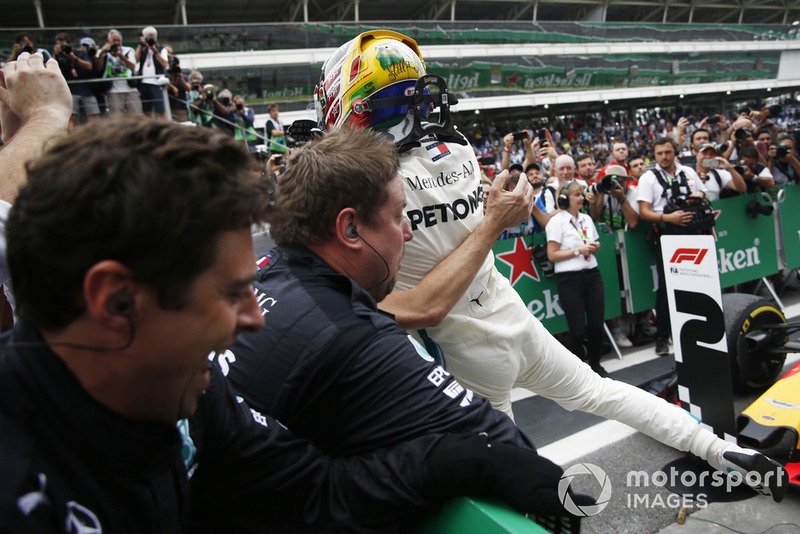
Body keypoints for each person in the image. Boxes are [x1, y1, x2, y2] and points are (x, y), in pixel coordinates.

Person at [0, 115, 594, 532]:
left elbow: (316, 492)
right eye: (231, 294)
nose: (252, 315)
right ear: (115, 302)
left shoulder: (194, 402)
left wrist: (458, 461)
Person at [313, 29, 787, 503]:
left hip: (466, 345)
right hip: (510, 314)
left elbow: (392, 304)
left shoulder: (373, 187)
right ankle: (715, 447)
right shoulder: (456, 150)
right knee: (602, 392)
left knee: (504, 477)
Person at [637, 136, 707, 356]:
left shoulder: (688, 172)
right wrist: (669, 218)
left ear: (674, 152)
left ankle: (700, 330)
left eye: (667, 152)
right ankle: (662, 337)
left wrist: (699, 195)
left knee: (698, 283)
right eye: (659, 154)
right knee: (666, 289)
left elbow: (704, 192)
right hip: (667, 235)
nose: (664, 157)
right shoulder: (648, 178)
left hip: (695, 233)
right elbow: (644, 211)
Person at [546, 181, 606, 375]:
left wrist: (593, 248)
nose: (582, 198)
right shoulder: (556, 221)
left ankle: (596, 365)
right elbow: (552, 255)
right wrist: (578, 251)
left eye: (581, 194)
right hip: (569, 279)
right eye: (577, 195)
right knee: (578, 330)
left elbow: (593, 241)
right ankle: (574, 371)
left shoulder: (587, 219)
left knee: (597, 326)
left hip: (592, 274)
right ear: (564, 199)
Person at [53, 32, 100, 128]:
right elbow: (53, 68)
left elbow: (89, 66)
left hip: (86, 89)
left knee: (94, 116)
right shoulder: (58, 56)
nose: (61, 46)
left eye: (63, 44)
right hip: (69, 90)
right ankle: (72, 140)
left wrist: (73, 58)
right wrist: (56, 54)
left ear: (70, 44)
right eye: (58, 44)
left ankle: (97, 138)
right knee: (72, 117)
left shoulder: (81, 53)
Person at [95, 29, 142, 116]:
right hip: (113, 90)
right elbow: (99, 68)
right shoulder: (104, 53)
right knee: (116, 117)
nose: (116, 43)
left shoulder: (128, 50)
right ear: (109, 41)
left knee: (136, 115)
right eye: (114, 40)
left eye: (118, 40)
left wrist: (121, 56)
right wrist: (102, 52)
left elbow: (133, 66)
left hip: (130, 88)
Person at [135, 26, 168, 118]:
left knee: (160, 110)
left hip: (156, 83)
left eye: (151, 37)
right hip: (143, 82)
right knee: (146, 110)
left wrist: (154, 50)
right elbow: (135, 60)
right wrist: (140, 45)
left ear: (155, 38)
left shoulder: (161, 49)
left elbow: (165, 64)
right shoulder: (143, 49)